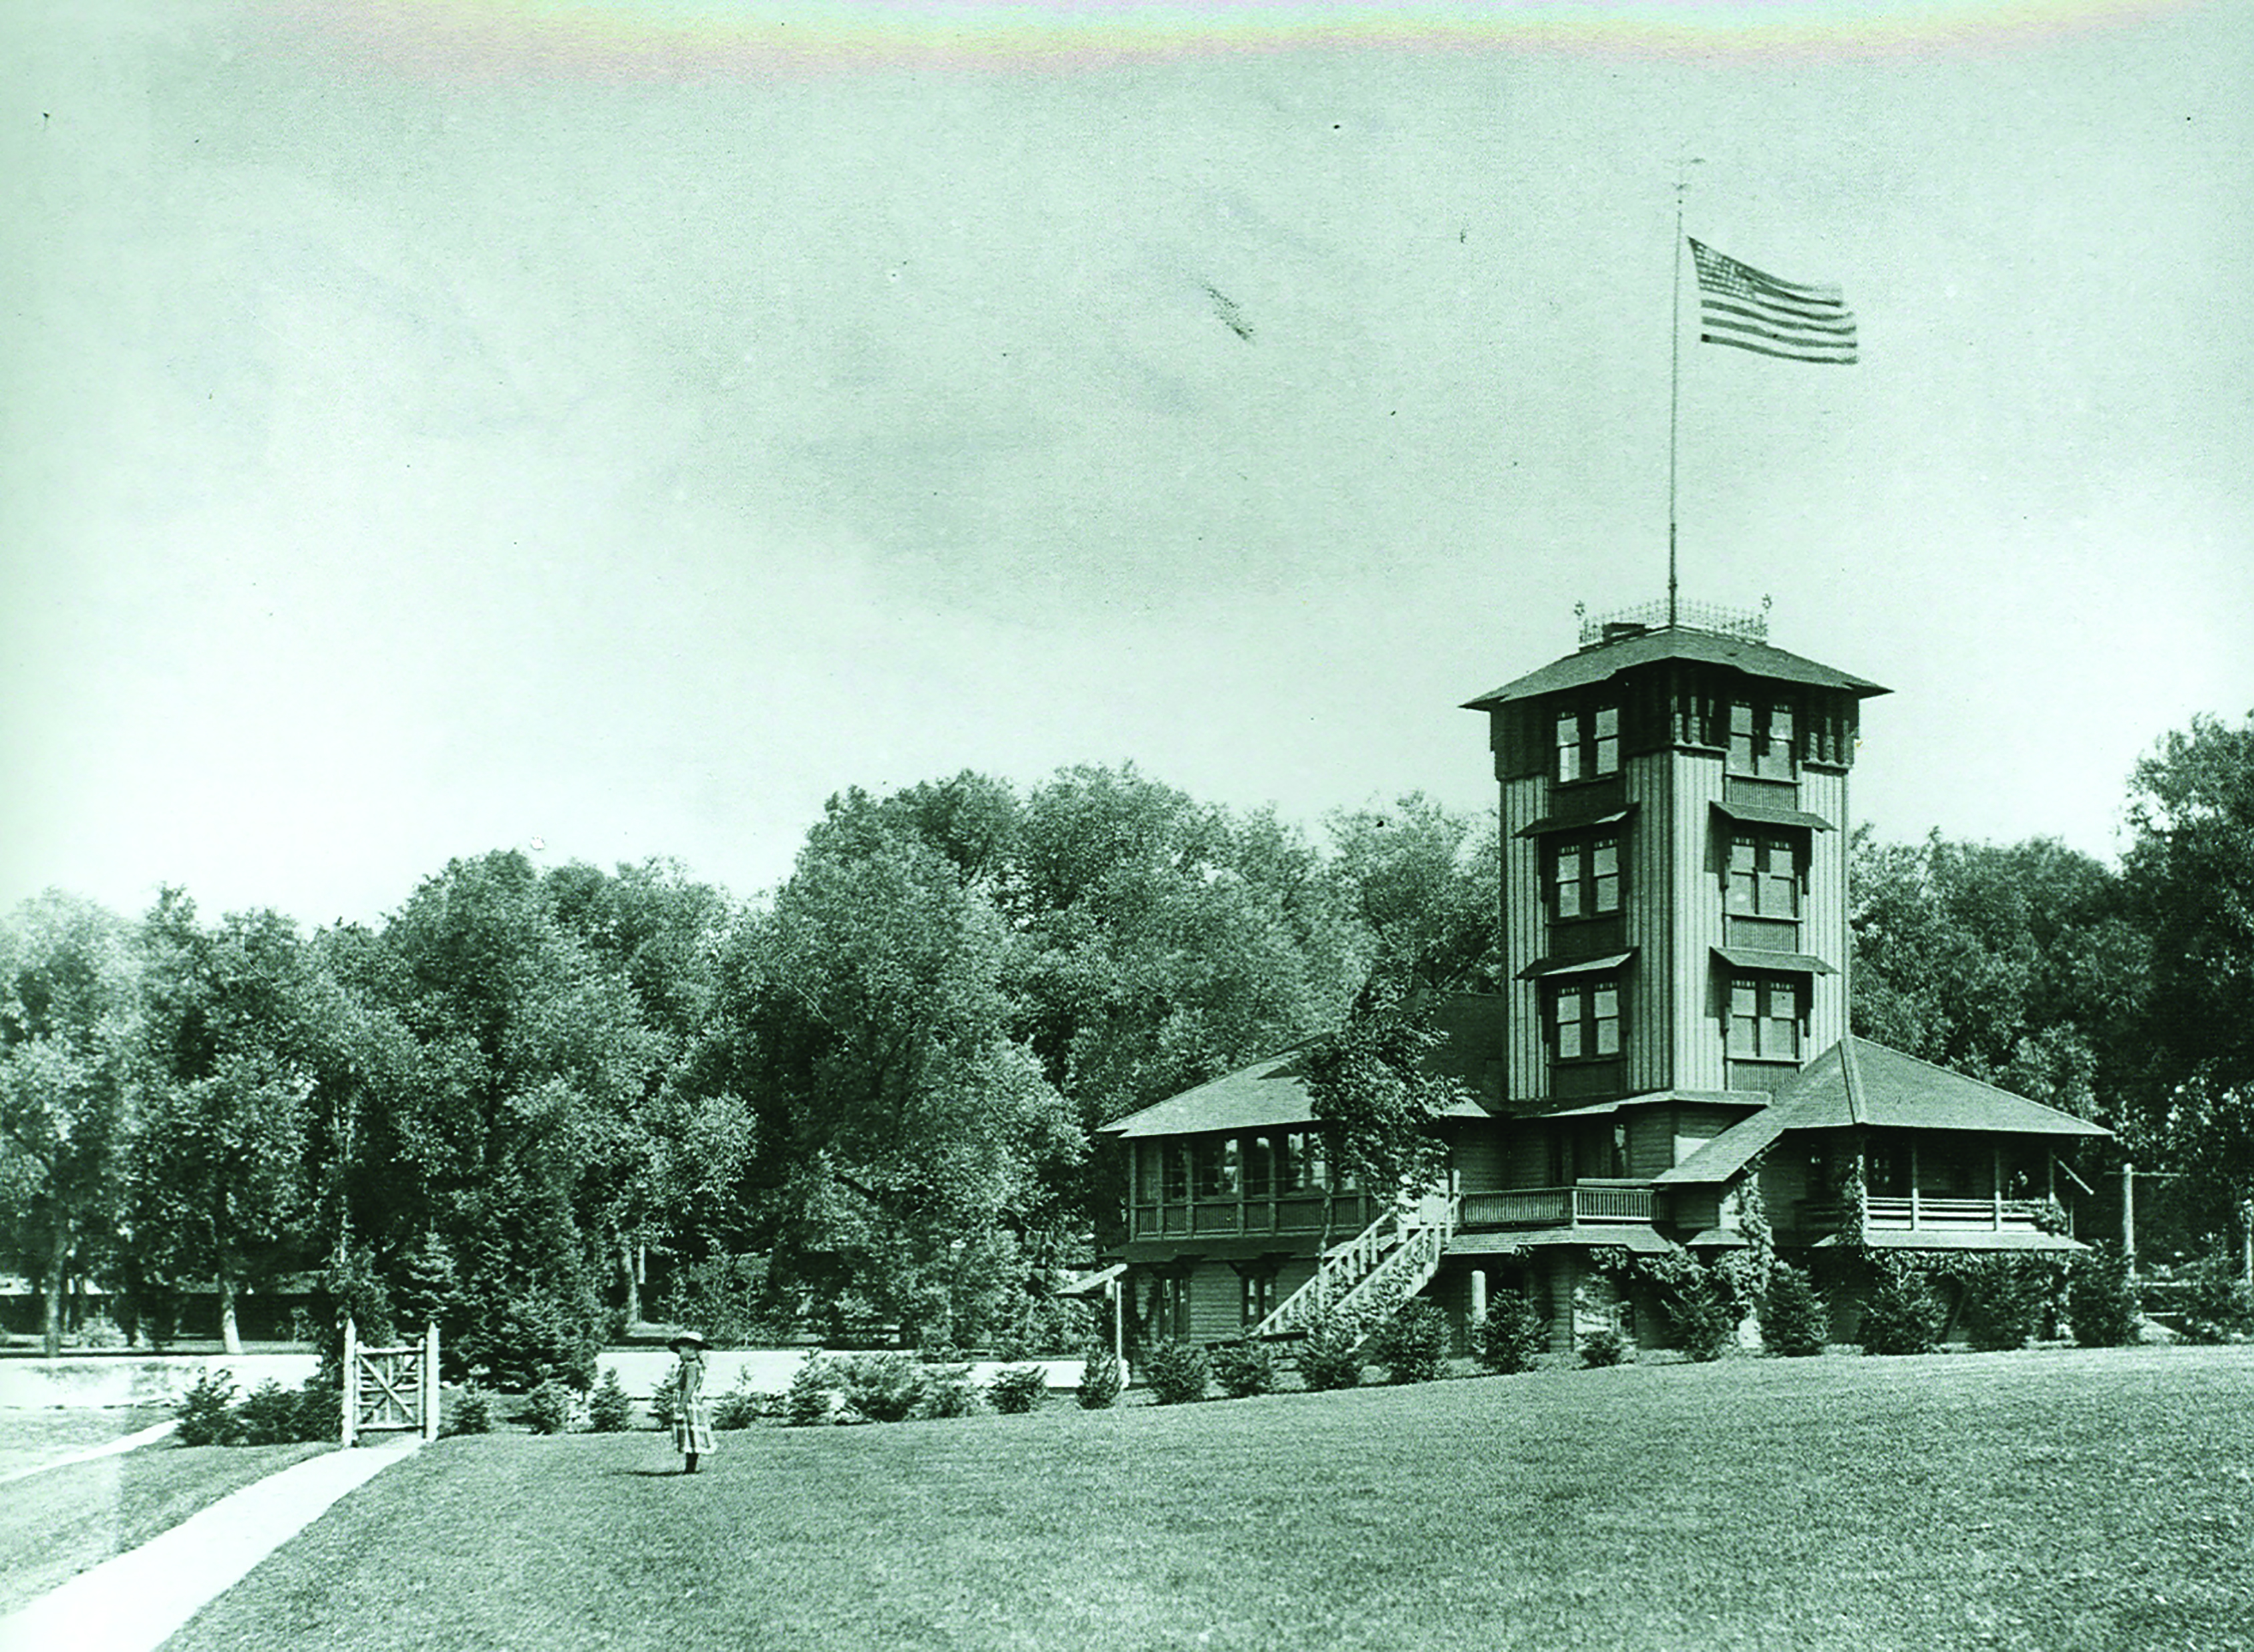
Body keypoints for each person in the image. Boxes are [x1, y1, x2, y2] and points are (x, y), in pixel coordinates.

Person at [666, 1331, 715, 1474]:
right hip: (688, 1402)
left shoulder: (691, 1367)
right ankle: (690, 1467)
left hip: (688, 1404)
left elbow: (689, 1387)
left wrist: (680, 1409)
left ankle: (690, 1468)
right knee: (689, 1435)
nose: (680, 1354)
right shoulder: (688, 1366)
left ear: (691, 1349)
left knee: (691, 1436)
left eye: (681, 1350)